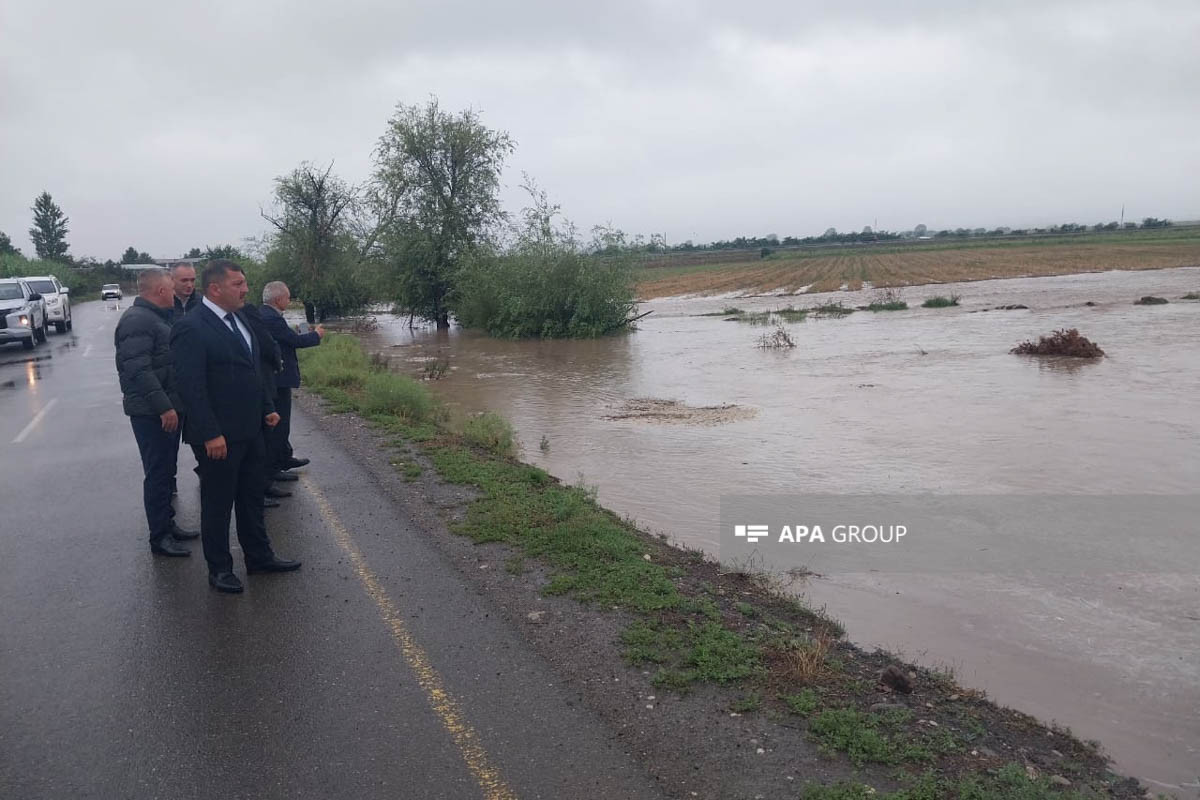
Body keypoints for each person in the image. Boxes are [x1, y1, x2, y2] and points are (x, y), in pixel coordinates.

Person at [170, 259, 301, 593]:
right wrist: (211, 432)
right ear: (215, 288)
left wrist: (268, 409)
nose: (245, 289)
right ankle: (220, 569)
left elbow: (253, 370)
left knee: (251, 498)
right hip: (218, 436)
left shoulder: (241, 318)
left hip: (253, 428)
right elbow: (190, 386)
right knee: (218, 504)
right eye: (238, 284)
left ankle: (259, 558)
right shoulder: (192, 327)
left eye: (244, 283)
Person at [114, 268, 199, 557]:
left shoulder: (156, 318)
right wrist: (164, 406)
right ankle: (159, 536)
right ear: (161, 291)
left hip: (165, 408)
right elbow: (137, 369)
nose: (176, 293)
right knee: (158, 472)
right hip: (151, 413)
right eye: (171, 289)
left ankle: (167, 523)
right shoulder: (137, 321)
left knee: (166, 469)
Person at [259, 281, 324, 481]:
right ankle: (273, 469)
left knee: (281, 424)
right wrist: (316, 335)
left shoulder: (266, 315)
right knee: (279, 424)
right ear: (278, 299)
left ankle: (283, 457)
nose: (289, 300)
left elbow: (285, 338)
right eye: (288, 297)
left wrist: (296, 333)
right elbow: (294, 341)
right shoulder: (271, 318)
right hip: (278, 379)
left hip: (276, 377)